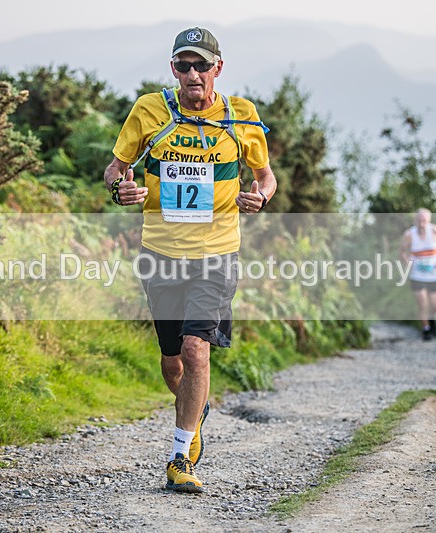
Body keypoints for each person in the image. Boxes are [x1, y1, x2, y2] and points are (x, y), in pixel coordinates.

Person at [103, 27, 277, 493]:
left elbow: (266, 176)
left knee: (198, 348)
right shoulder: (149, 110)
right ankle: (192, 411)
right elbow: (116, 166)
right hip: (160, 251)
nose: (193, 73)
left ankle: (181, 453)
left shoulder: (242, 117)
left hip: (217, 252)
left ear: (219, 67)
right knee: (173, 362)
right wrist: (119, 187)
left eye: (202, 65)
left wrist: (260, 195)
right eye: (184, 65)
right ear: (173, 69)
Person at [399, 208, 436, 341]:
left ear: (429, 220)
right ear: (415, 220)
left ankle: (431, 318)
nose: (422, 224)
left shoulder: (435, 231)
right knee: (422, 303)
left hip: (433, 273)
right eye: (419, 221)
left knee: (435, 305)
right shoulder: (409, 235)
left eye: (424, 221)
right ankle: (426, 329)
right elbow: (402, 252)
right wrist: (407, 262)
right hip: (417, 274)